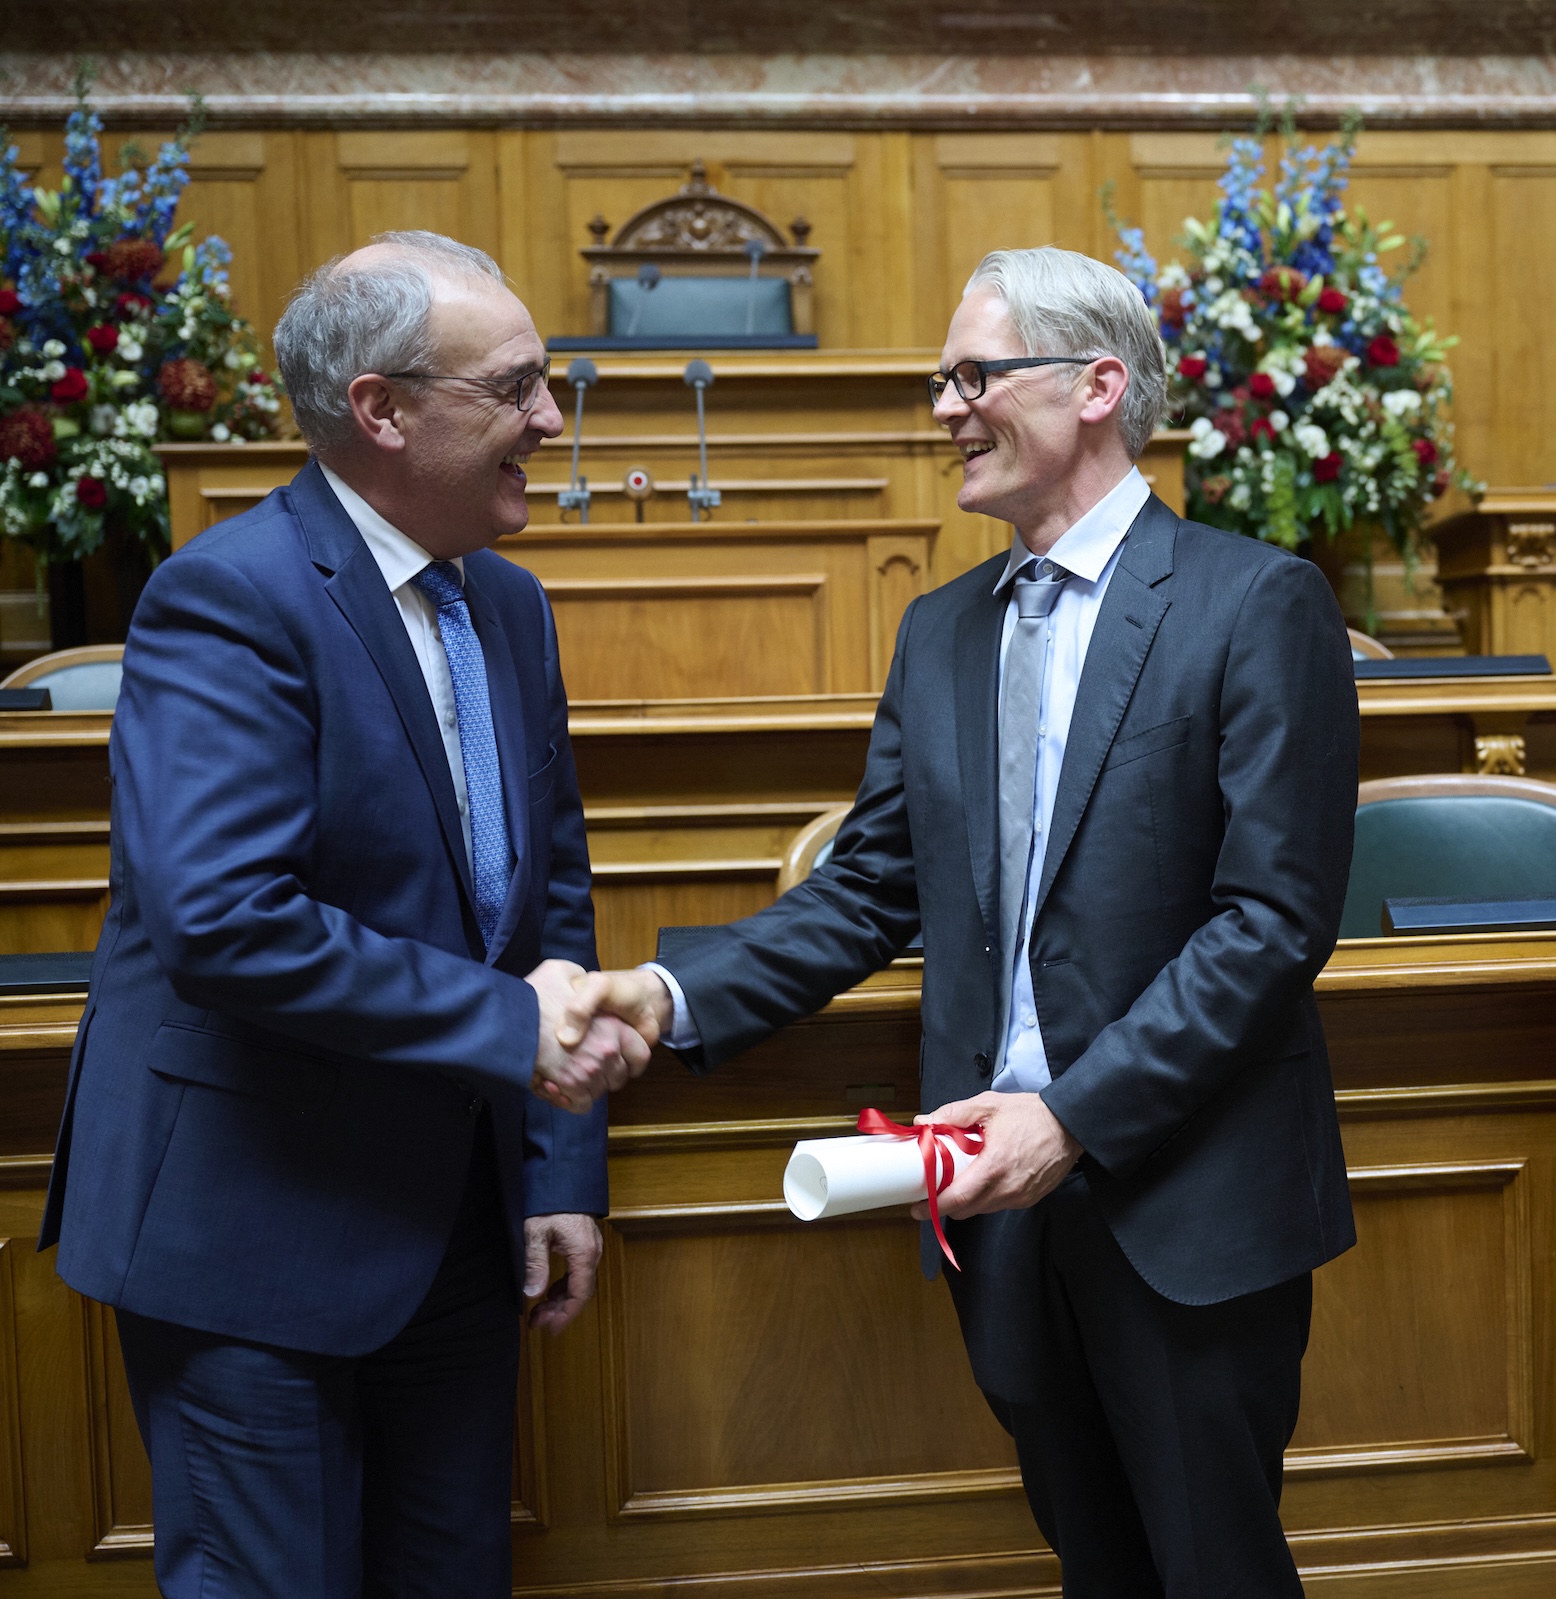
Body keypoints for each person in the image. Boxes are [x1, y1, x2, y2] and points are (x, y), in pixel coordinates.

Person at [568, 246, 1359, 1596]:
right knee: (1096, 1564)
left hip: (1184, 1197)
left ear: (1096, 386)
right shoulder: (941, 631)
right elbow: (871, 886)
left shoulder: (1255, 602)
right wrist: (666, 993)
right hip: (993, 1204)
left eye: (975, 375)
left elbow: (1271, 923)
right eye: (943, 381)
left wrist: (1074, 1117)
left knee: (1215, 1569)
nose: (945, 408)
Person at [39, 230, 650, 1598]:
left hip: (458, 1237)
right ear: (383, 411)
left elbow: (548, 896)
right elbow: (224, 921)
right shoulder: (230, 596)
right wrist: (512, 1028)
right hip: (254, 1234)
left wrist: (558, 1170)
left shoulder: (511, 607)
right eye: (515, 388)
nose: (551, 421)